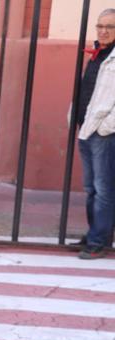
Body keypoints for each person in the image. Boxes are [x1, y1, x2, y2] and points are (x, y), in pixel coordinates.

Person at [75, 8, 115, 260]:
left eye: (109, 27)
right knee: (91, 187)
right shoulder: (98, 54)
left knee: (103, 188)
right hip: (86, 128)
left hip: (103, 132)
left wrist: (107, 126)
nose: (103, 30)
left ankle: (99, 240)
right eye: (100, 26)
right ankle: (95, 232)